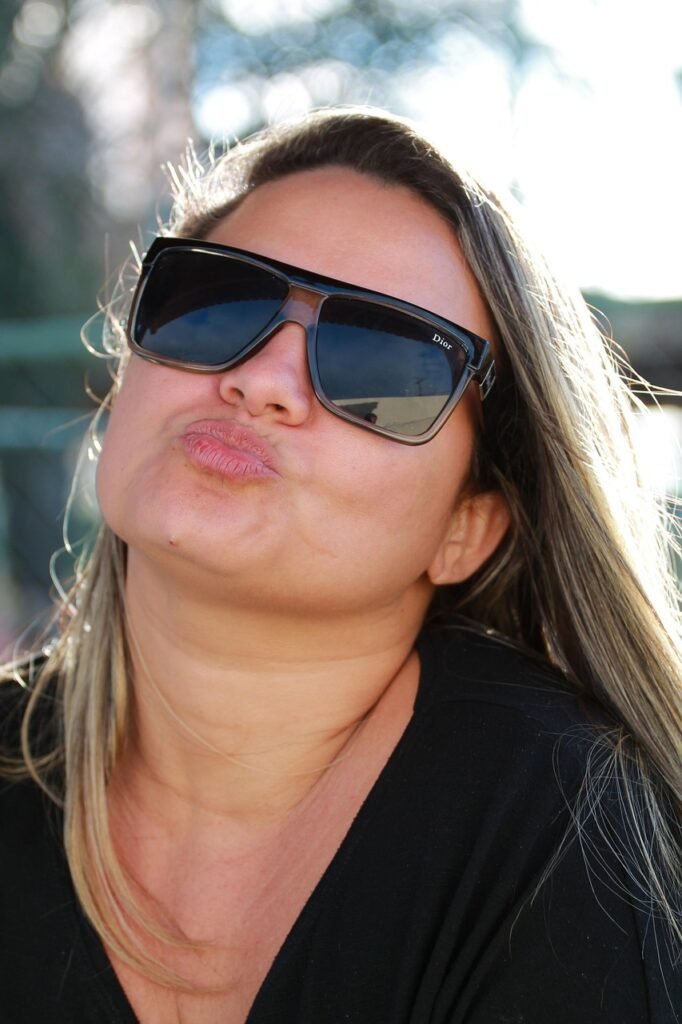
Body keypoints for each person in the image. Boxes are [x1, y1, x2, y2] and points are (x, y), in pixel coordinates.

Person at [1, 106, 680, 1024]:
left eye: (381, 365)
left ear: (470, 525)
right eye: (216, 302)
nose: (261, 380)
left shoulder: (570, 833)